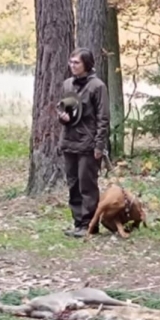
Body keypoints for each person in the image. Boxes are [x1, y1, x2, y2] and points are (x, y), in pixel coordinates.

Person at [58, 48, 110, 237]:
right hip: (69, 141)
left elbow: (103, 118)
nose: (72, 65)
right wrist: (62, 117)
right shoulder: (67, 84)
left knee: (87, 184)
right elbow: (64, 109)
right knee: (73, 184)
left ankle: (89, 225)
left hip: (88, 143)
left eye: (76, 62)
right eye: (71, 62)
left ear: (86, 64)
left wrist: (99, 145)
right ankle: (78, 223)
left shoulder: (97, 86)